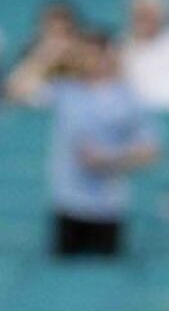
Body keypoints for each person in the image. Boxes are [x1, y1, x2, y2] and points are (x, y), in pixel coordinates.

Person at [44, 30, 162, 257]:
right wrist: (51, 54)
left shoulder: (128, 98)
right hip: (69, 203)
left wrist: (109, 158)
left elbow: (151, 150)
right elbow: (16, 90)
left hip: (107, 206)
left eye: (96, 54)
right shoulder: (67, 91)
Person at [4, 0, 85, 107]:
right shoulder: (31, 60)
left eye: (64, 34)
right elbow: (11, 93)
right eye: (53, 34)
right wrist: (43, 59)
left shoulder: (86, 59)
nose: (58, 42)